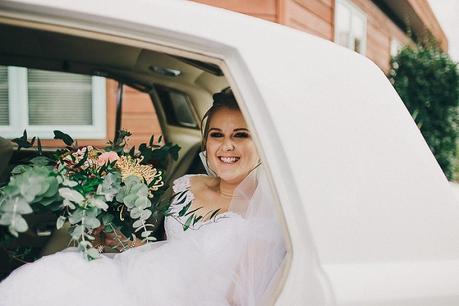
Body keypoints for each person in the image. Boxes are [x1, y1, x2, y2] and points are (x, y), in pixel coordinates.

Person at [0, 88, 286, 306]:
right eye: (216, 135)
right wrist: (123, 242)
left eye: (240, 135)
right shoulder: (189, 185)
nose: (226, 146)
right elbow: (170, 249)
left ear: (261, 142)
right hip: (140, 278)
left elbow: (240, 297)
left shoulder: (267, 216)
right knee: (50, 276)